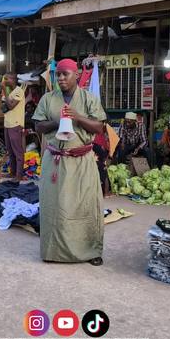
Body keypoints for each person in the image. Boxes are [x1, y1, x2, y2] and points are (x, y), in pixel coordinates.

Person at [32, 58, 106, 266]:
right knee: (54, 207)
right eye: (58, 74)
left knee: (85, 207)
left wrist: (78, 118)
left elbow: (99, 127)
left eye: (66, 74)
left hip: (82, 161)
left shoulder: (89, 99)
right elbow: (38, 126)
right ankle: (53, 251)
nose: (61, 78)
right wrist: (56, 122)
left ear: (77, 75)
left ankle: (90, 250)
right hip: (55, 161)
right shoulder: (48, 99)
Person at [1, 73, 25, 182]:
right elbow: (4, 107)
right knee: (10, 151)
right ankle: (12, 173)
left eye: (7, 78)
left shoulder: (19, 91)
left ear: (13, 79)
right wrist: (4, 91)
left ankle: (19, 175)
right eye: (4, 78)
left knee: (18, 152)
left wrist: (4, 91)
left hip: (15, 124)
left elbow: (11, 106)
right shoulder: (8, 91)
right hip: (7, 124)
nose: (5, 80)